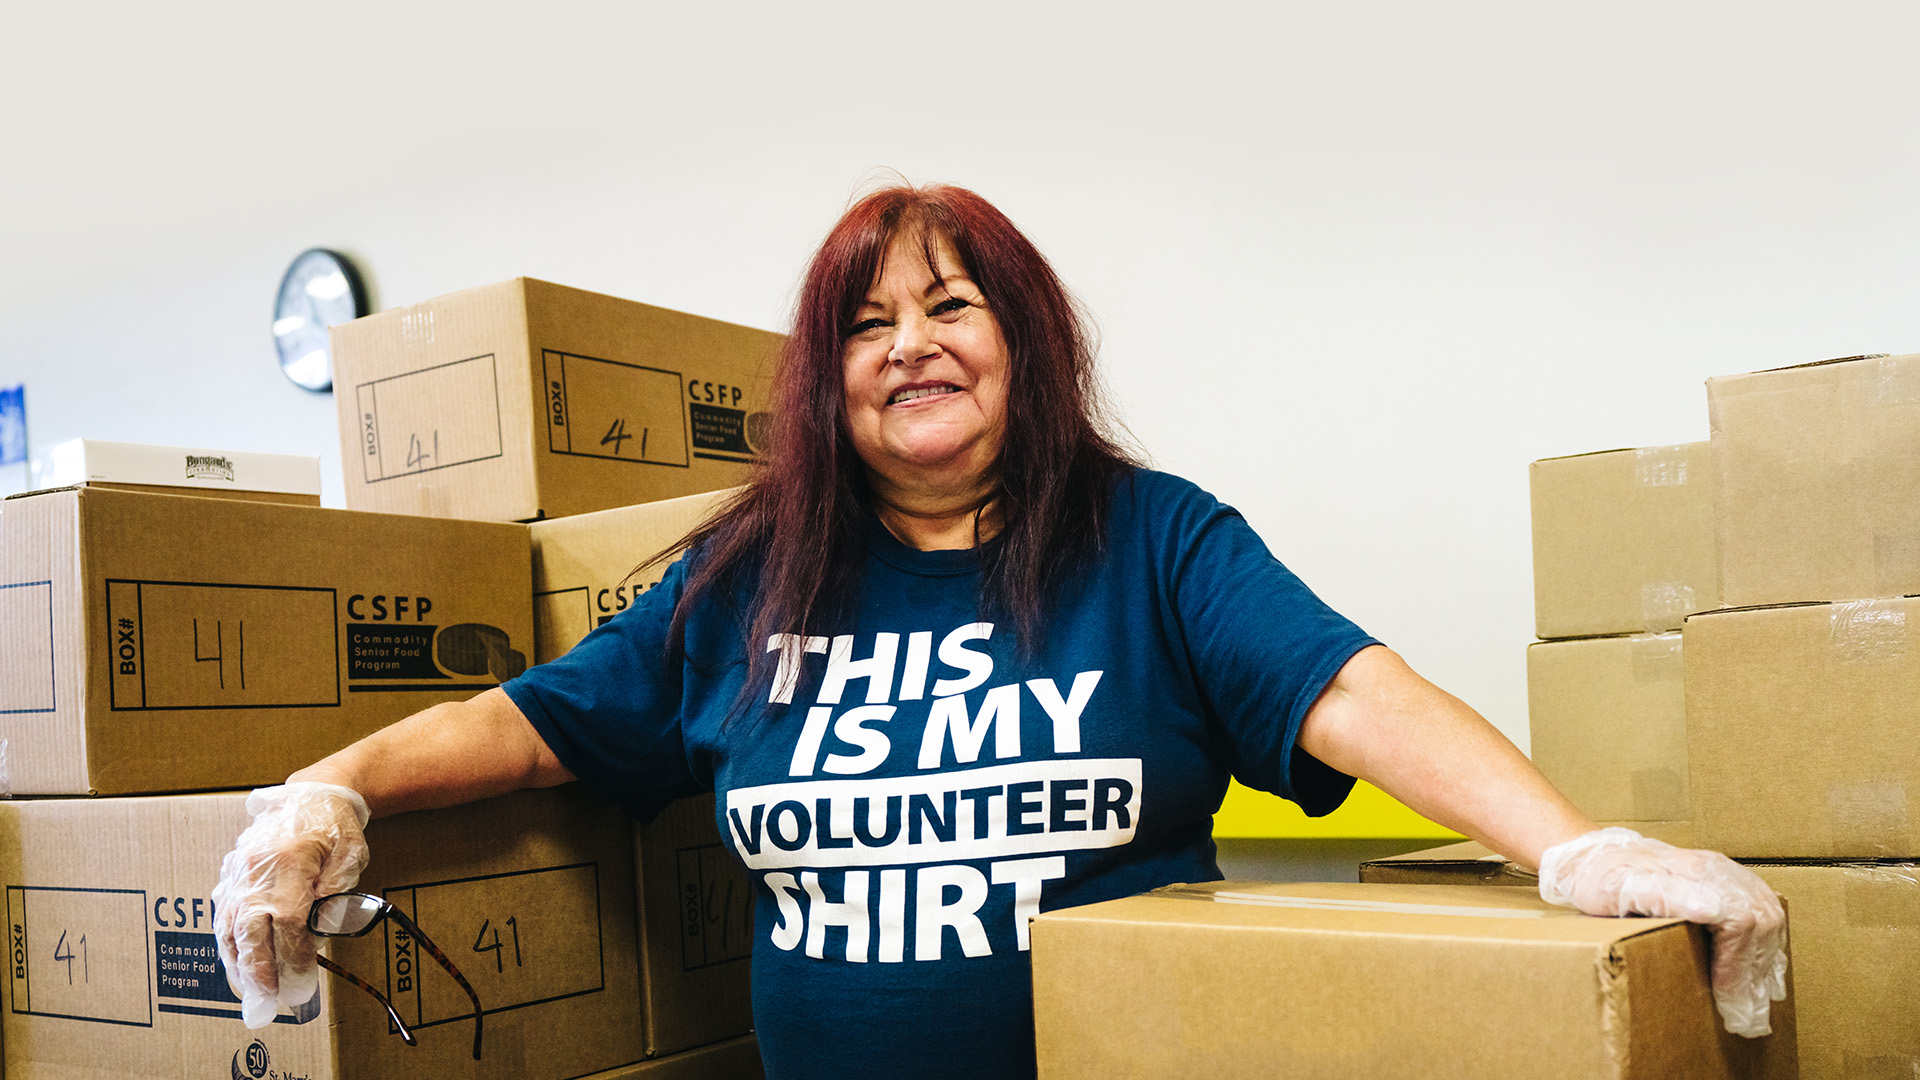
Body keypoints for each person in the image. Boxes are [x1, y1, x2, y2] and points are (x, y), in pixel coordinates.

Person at [214, 183, 1787, 1078]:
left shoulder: (1152, 540)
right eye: (865, 322)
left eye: (953, 305)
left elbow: (1353, 693)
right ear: (824, 379)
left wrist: (1576, 850)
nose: (911, 346)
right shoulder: (748, 576)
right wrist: (329, 791)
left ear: (1023, 345)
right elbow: (540, 719)